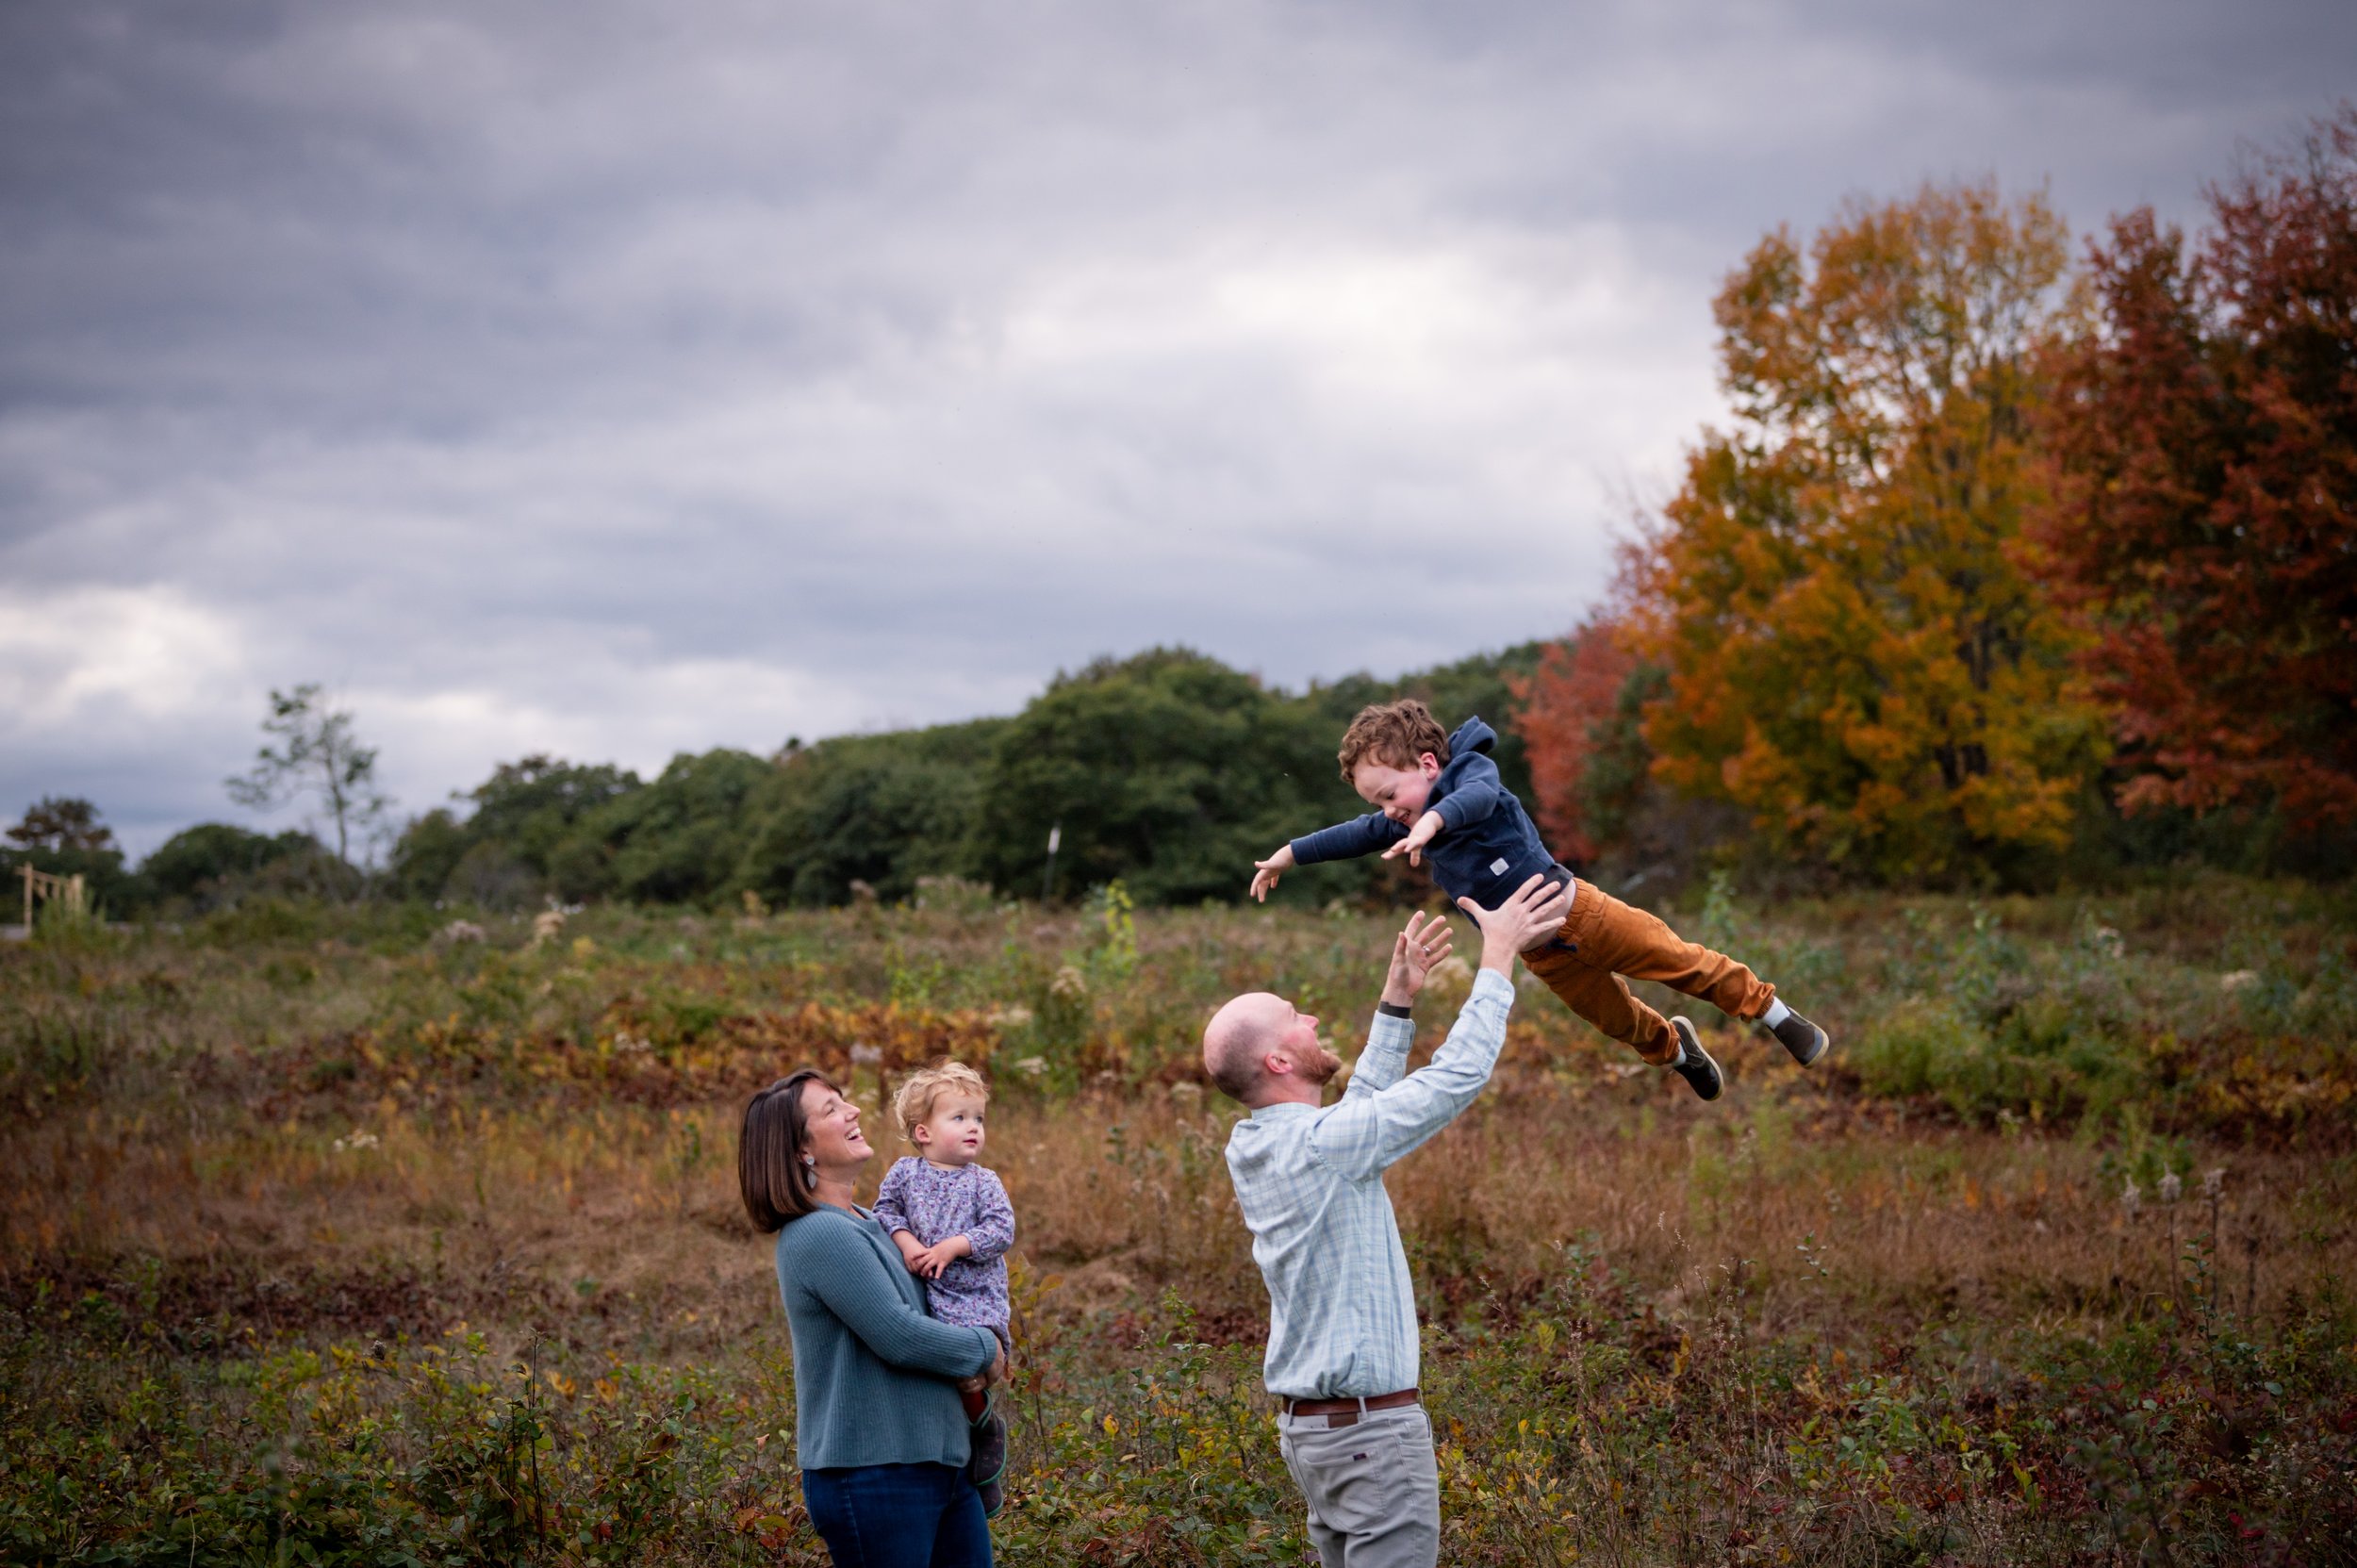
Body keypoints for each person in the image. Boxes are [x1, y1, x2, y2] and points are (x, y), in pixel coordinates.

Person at [1204, 875, 1570, 1568]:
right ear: (1278, 1059)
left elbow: (1354, 1116)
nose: (1309, 1017)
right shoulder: (1324, 1144)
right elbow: (1457, 1075)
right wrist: (1498, 957)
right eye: (1294, 1017)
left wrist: (1397, 1000)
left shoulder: (1257, 1142)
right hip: (1371, 1433)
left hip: (1318, 1437)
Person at [1247, 698, 1830, 1100]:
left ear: (1428, 765)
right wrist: (1288, 855)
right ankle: (1678, 1052)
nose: (1388, 812)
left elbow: (1473, 799)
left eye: (1390, 795)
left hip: (1584, 913)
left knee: (1681, 964)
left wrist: (1431, 825)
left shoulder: (1471, 774)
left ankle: (1775, 1014)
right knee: (1616, 1019)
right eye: (1380, 805)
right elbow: (1350, 835)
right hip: (1538, 952)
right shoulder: (1401, 821)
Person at [740, 1068, 1007, 1568]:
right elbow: (900, 1336)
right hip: (874, 1473)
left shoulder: (876, 1222)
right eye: (831, 1109)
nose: (853, 1111)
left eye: (844, 1101)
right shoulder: (820, 1234)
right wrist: (986, 1348)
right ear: (803, 1151)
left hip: (942, 1463)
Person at [873, 1061, 1016, 1515]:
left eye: (978, 1119)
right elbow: (885, 1211)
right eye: (959, 1118)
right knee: (934, 1372)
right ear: (923, 1133)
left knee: (969, 1368)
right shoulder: (904, 1174)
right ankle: (952, 1450)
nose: (974, 1128)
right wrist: (907, 1241)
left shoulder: (983, 1182)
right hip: (928, 1293)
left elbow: (1002, 1230)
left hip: (974, 1295)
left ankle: (983, 1431)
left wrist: (955, 1245)